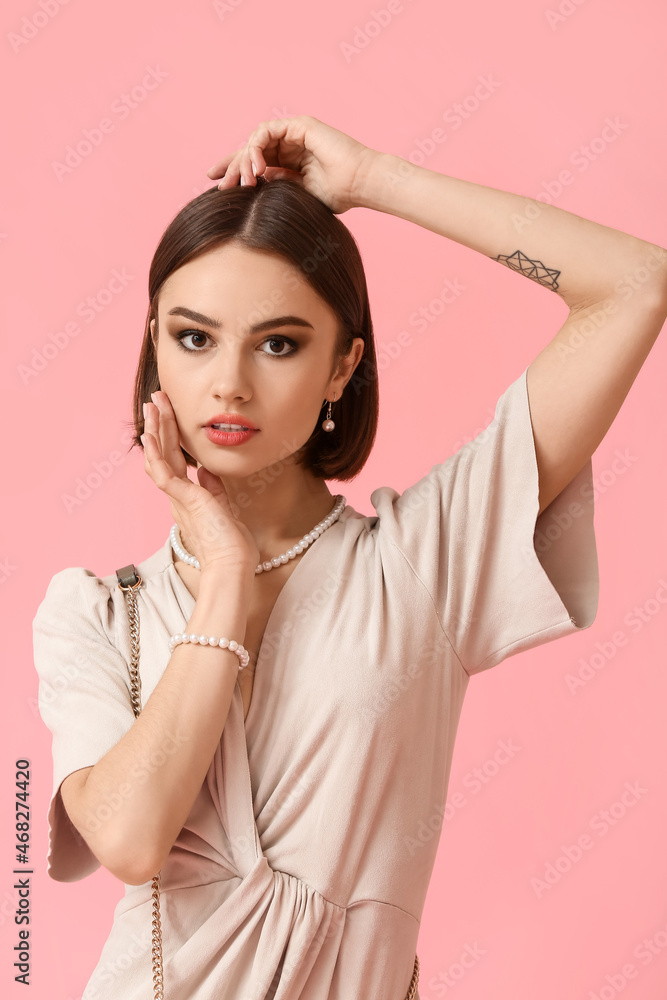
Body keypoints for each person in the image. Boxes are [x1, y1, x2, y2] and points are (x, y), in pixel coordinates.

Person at [33, 115, 667, 1000]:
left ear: (342, 367)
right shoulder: (94, 612)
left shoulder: (424, 562)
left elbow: (635, 284)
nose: (229, 382)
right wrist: (219, 575)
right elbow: (132, 840)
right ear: (154, 352)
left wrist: (375, 178)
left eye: (280, 343)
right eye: (192, 337)